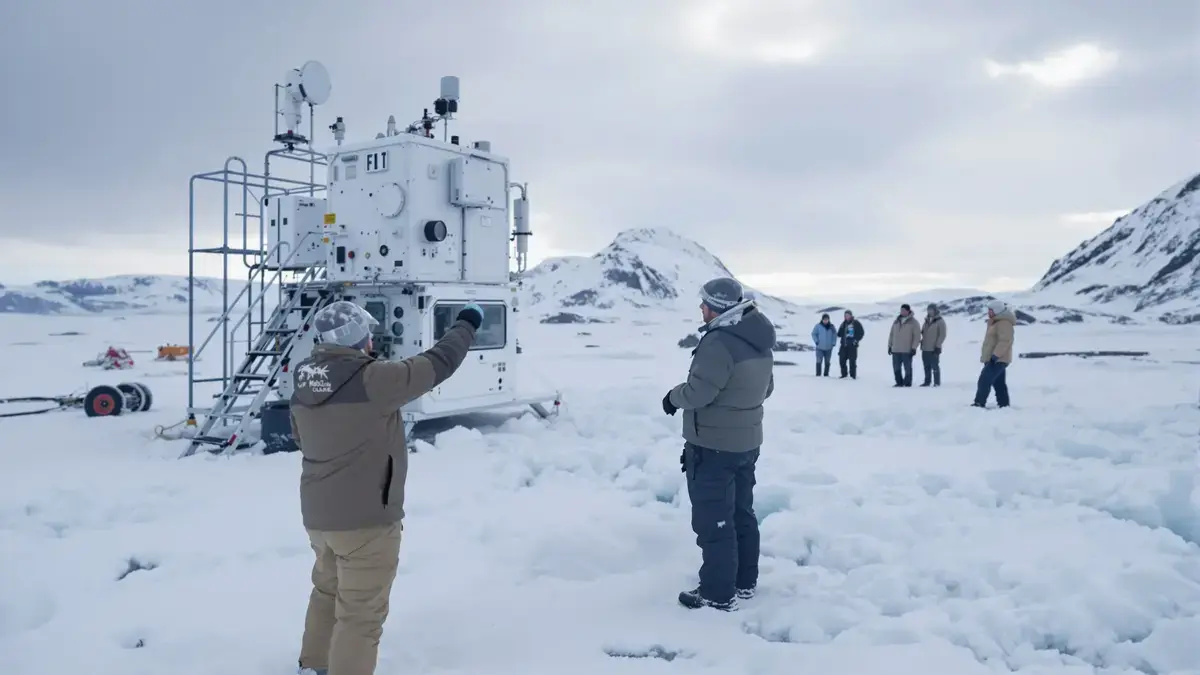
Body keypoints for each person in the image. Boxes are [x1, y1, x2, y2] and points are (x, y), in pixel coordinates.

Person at [289, 300, 483, 675]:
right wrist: (467, 323)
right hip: (367, 521)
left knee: (327, 593)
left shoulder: (303, 380)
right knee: (360, 616)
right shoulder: (374, 380)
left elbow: (301, 438)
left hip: (318, 519)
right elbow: (439, 361)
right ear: (359, 339)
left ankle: (312, 667)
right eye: (367, 336)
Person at [662, 277, 775, 612]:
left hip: (713, 446)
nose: (701, 307)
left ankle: (717, 592)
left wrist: (672, 397)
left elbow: (700, 392)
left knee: (715, 519)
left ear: (719, 307)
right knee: (741, 513)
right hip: (746, 444)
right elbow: (766, 389)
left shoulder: (718, 342)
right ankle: (743, 582)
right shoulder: (758, 339)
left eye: (705, 303)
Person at [973, 299, 1015, 408]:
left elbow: (1005, 340)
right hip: (995, 358)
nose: (988, 312)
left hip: (998, 359)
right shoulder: (995, 322)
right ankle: (1004, 404)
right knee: (999, 383)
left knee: (984, 380)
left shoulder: (1004, 323)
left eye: (990, 310)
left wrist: (995, 355)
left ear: (997, 310)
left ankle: (979, 402)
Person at [887, 304, 921, 387]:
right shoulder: (896, 321)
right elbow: (891, 334)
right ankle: (899, 382)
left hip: (907, 349)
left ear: (908, 311)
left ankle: (907, 382)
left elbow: (917, 336)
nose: (902, 312)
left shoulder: (914, 322)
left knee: (907, 368)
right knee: (896, 367)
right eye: (901, 310)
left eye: (904, 310)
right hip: (895, 349)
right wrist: (890, 346)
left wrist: (914, 348)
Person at [919, 303, 947, 387]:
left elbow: (942, 335)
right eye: (928, 310)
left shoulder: (940, 321)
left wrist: (938, 345)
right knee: (926, 366)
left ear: (935, 310)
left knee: (935, 366)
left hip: (934, 348)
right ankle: (927, 381)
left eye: (931, 310)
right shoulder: (926, 321)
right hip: (925, 348)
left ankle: (937, 382)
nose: (930, 311)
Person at [836, 310, 865, 379]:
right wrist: (840, 331)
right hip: (844, 345)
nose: (846, 317)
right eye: (845, 315)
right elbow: (839, 334)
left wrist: (856, 340)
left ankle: (853, 376)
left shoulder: (856, 323)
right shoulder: (843, 324)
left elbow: (861, 332)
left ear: (851, 315)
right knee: (842, 360)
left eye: (848, 315)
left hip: (852, 346)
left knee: (852, 361)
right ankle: (844, 375)